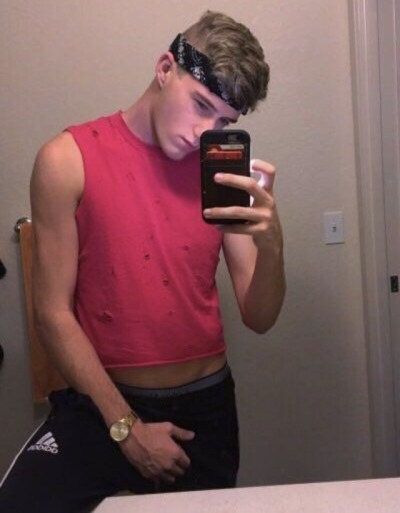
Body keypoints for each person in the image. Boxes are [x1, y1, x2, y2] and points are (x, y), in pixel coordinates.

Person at [0, 10, 285, 512]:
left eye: (223, 122)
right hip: (101, 401)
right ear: (165, 68)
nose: (204, 132)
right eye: (200, 104)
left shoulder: (221, 177)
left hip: (204, 407)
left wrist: (273, 244)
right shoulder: (67, 160)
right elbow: (52, 313)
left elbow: (259, 317)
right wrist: (127, 429)